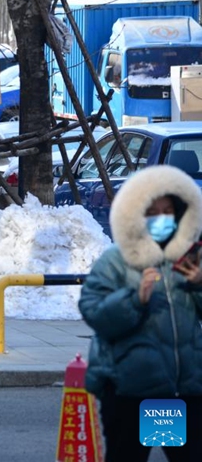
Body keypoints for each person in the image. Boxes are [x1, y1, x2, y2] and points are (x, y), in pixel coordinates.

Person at [79, 164, 202, 462]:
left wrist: (199, 285)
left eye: (168, 210)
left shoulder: (190, 257)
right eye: (153, 211)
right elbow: (93, 311)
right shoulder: (116, 260)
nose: (162, 218)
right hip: (130, 391)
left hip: (179, 391)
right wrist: (136, 299)